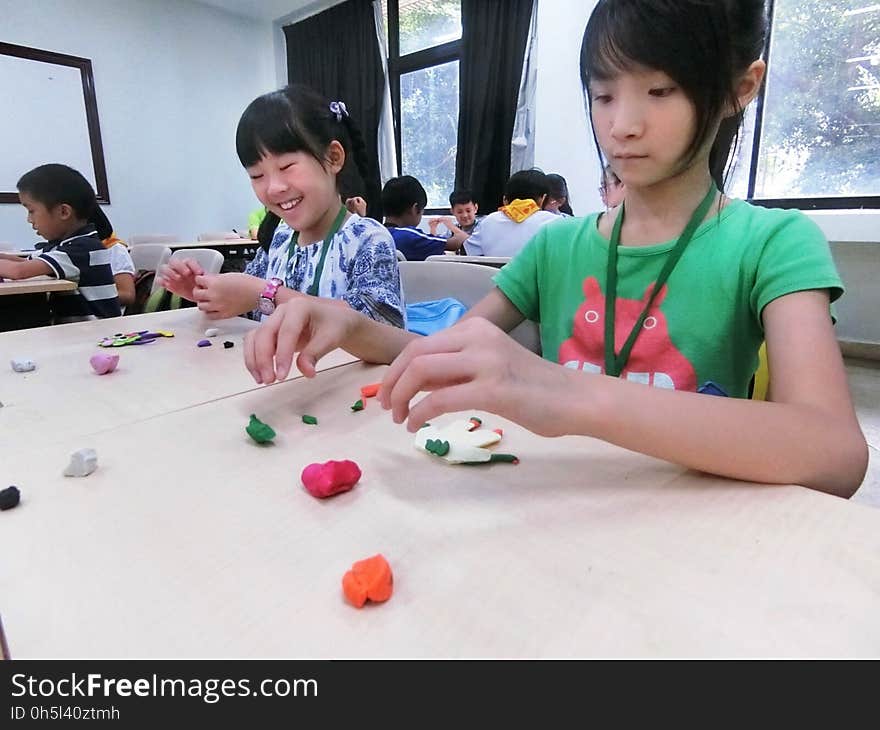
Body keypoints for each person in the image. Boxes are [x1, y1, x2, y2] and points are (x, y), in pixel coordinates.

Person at [242, 0, 867, 498]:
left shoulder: (775, 244)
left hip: (692, 522)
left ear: (741, 87)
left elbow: (835, 453)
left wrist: (565, 393)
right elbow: (436, 355)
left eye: (662, 91)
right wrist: (346, 321)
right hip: (561, 507)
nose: (622, 124)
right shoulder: (557, 247)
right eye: (602, 94)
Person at [159, 85, 405, 327]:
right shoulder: (280, 239)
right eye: (257, 176)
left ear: (333, 157)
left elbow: (378, 327)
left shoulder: (368, 240)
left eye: (286, 166)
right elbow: (249, 306)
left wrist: (265, 294)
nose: (273, 187)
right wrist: (206, 292)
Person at [0, 164, 121, 321]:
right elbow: (25, 262)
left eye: (32, 211)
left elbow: (19, 271)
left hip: (98, 335)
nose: (29, 220)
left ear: (64, 212)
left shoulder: (83, 248)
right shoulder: (63, 245)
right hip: (79, 333)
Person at [464, 169, 559, 257]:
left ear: (506, 199)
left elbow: (468, 253)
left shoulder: (488, 221)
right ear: (543, 199)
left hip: (497, 275)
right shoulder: (555, 223)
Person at [382, 176, 468, 260]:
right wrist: (450, 225)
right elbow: (460, 240)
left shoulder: (376, 233)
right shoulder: (410, 237)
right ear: (415, 209)